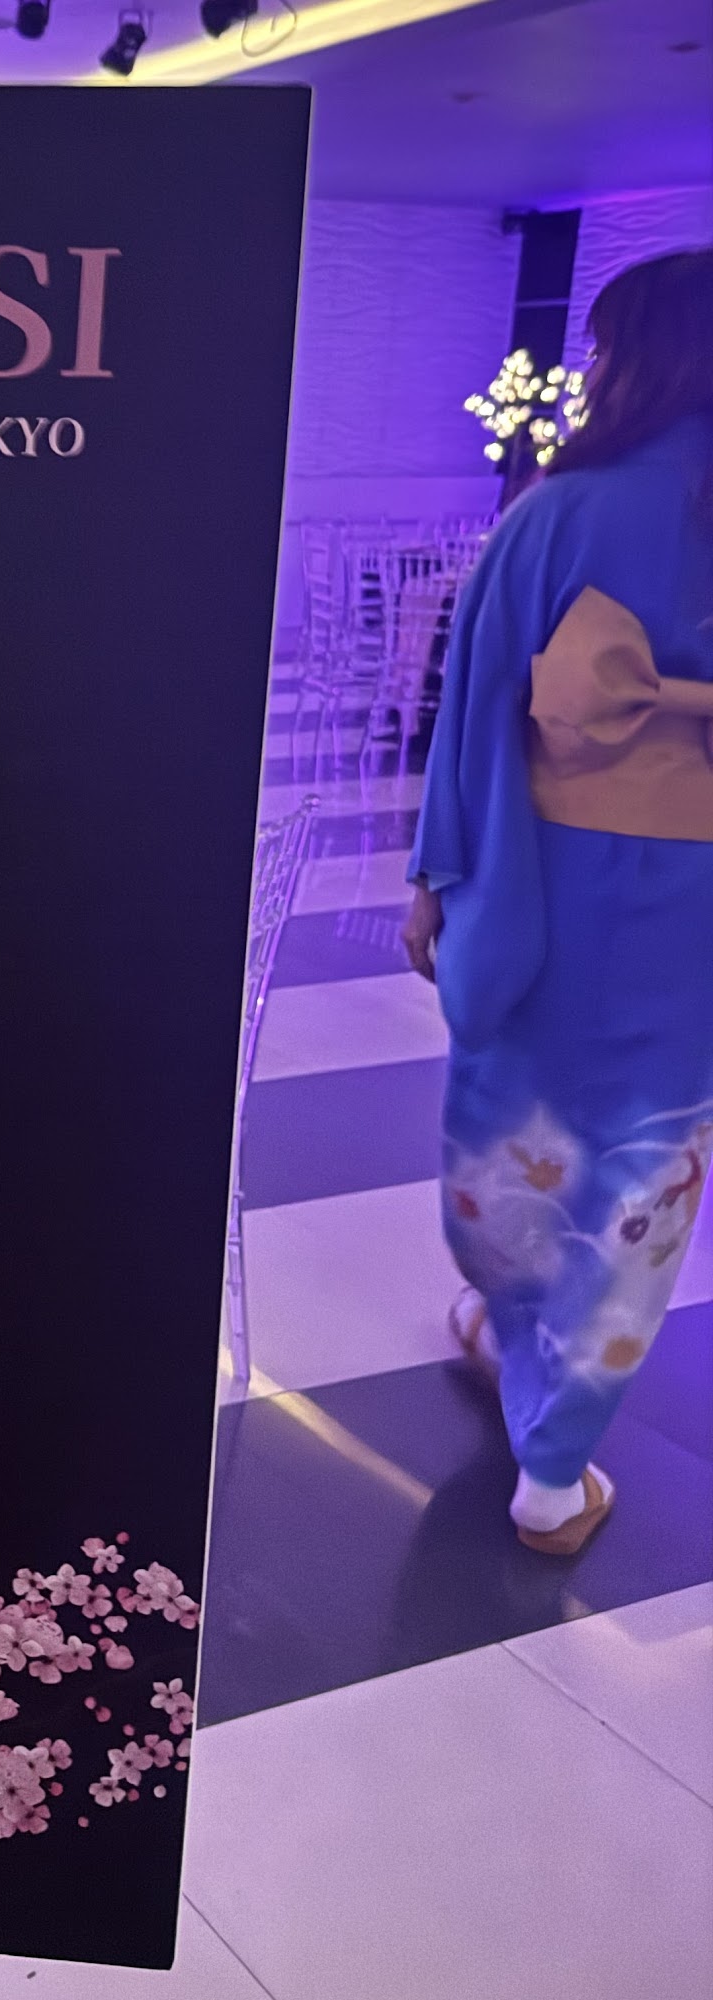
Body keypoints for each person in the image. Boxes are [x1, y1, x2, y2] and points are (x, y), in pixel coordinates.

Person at [402, 248, 713, 1556]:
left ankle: (519, 1363)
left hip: (556, 879)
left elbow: (476, 711)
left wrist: (438, 878)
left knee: (517, 1128)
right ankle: (554, 1466)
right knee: (646, 1165)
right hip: (695, 913)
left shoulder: (559, 512)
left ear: (640, 360)